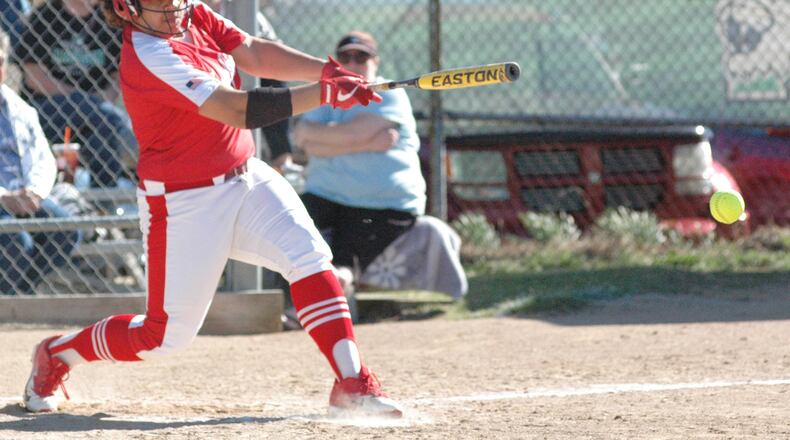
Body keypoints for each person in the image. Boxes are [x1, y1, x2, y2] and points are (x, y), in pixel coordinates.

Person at [22, 0, 403, 418]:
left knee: (310, 258)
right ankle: (57, 354)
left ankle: (352, 383)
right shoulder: (149, 55)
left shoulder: (191, 13)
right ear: (127, 9)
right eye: (158, 6)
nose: (173, 12)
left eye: (176, 1)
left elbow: (254, 52)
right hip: (183, 202)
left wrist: (326, 71)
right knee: (164, 337)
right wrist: (324, 94)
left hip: (245, 177)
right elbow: (236, 109)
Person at [293, 31, 427, 289]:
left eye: (361, 57)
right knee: (287, 230)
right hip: (325, 195)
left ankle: (330, 299)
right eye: (345, 58)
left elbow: (345, 134)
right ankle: (294, 304)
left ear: (375, 62)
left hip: (381, 202)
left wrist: (327, 140)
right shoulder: (325, 92)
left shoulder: (390, 92)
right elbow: (302, 137)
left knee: (344, 264)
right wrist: (366, 143)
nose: (353, 64)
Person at [13, 0, 138, 188]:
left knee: (101, 139)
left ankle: (103, 205)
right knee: (104, 121)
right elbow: (33, 76)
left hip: (96, 115)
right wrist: (80, 100)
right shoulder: (45, 16)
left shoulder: (109, 18)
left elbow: (115, 77)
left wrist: (94, 103)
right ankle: (138, 146)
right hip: (49, 109)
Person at [0, 29, 82, 295]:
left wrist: (35, 192)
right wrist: (4, 196)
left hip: (25, 195)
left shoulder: (21, 109)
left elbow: (43, 159)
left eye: (0, 61)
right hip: (2, 199)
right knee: (18, 243)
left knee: (68, 230)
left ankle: (19, 295)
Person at [203, 0, 294, 171]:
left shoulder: (240, 9)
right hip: (207, 76)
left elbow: (269, 47)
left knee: (273, 82)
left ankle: (282, 161)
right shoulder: (181, 10)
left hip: (241, 68)